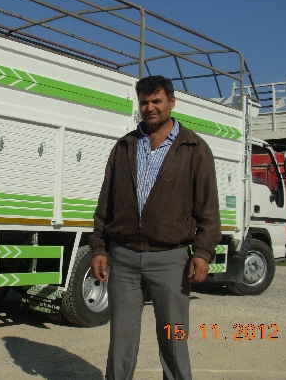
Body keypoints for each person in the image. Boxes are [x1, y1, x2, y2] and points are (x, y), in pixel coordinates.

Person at [89, 75, 221, 380]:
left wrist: (203, 253)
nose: (150, 107)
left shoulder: (194, 148)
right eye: (144, 102)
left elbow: (208, 209)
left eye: (157, 101)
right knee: (121, 341)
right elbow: (106, 202)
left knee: (174, 339)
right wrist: (99, 247)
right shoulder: (124, 146)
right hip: (123, 258)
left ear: (171, 102)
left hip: (171, 260)